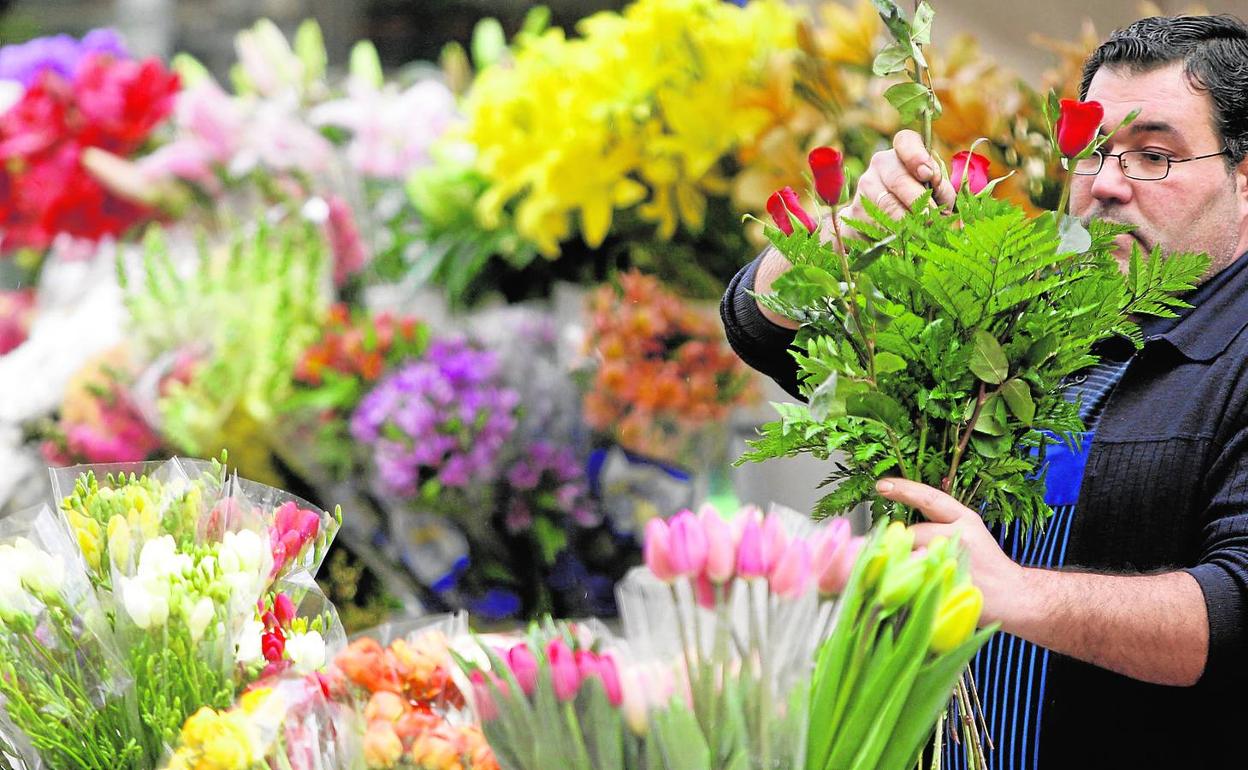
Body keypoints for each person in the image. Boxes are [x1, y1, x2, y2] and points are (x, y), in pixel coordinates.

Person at [721, 14, 1248, 769]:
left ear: (1244, 176)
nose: (1104, 184)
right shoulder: (1023, 317)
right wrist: (847, 232)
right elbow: (761, 328)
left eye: (1154, 156)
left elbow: (1234, 606)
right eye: (1093, 149)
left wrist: (1015, 595)